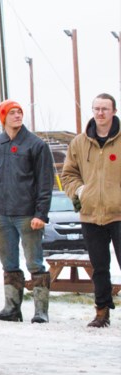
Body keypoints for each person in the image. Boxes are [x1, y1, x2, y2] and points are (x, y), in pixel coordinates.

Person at [0, 100, 54, 323]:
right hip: (2, 214)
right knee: (9, 263)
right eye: (12, 113)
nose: (17, 116)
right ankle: (11, 309)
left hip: (28, 215)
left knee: (35, 263)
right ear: (3, 117)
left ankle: (41, 312)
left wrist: (41, 214)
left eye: (19, 112)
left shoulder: (35, 145)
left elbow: (44, 183)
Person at [61, 93, 120, 328]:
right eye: (96, 108)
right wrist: (80, 192)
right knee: (99, 267)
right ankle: (102, 311)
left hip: (118, 213)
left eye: (105, 109)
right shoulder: (79, 142)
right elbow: (68, 174)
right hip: (91, 214)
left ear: (114, 111)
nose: (100, 113)